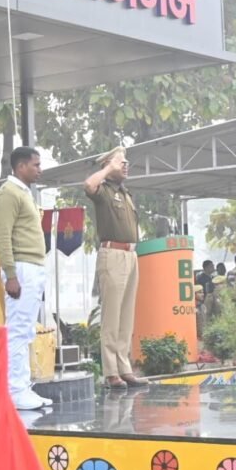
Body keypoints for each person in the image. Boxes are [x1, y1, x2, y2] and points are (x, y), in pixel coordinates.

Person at [0, 146, 52, 410]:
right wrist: (11, 275)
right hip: (21, 268)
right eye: (35, 165)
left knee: (26, 330)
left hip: (33, 266)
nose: (40, 170)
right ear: (20, 167)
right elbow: (1, 235)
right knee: (17, 330)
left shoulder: (24, 192)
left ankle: (23, 388)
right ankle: (16, 391)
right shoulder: (9, 193)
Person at [85, 146, 148, 390]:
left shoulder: (125, 193)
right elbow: (88, 185)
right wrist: (108, 168)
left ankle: (124, 367)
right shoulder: (104, 191)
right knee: (111, 317)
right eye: (120, 162)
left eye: (125, 161)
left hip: (131, 255)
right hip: (112, 254)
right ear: (108, 165)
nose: (126, 165)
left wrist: (115, 164)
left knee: (126, 316)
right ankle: (111, 372)